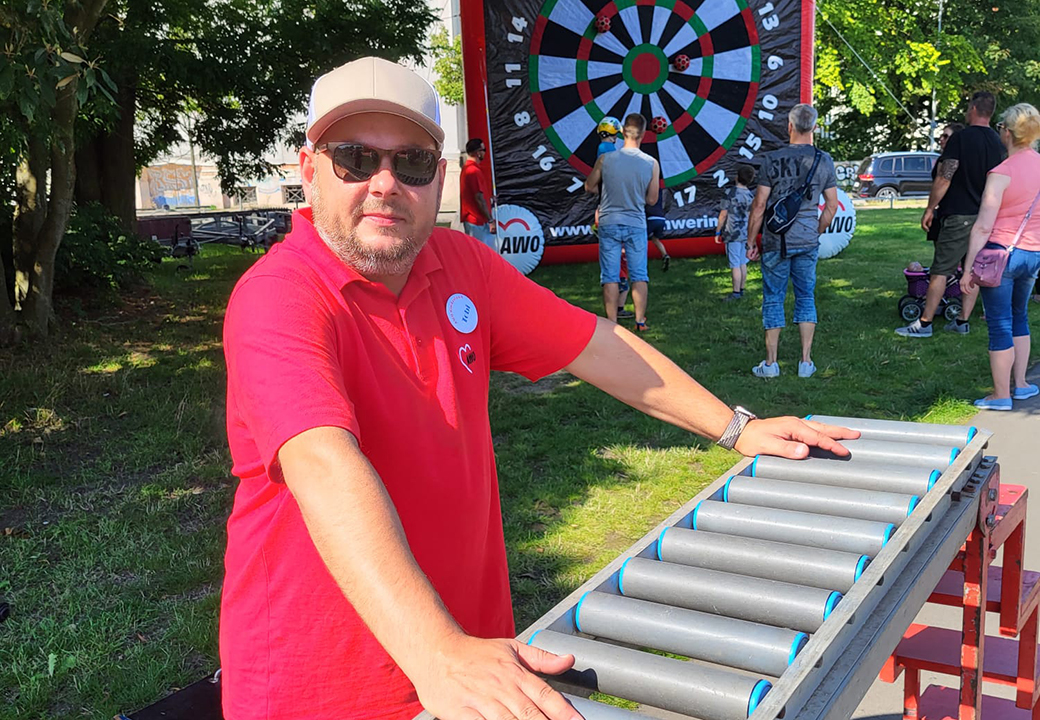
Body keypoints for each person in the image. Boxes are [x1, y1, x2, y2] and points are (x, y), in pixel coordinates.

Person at [219, 57, 858, 720]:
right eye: (354, 160)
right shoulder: (280, 295)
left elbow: (596, 345)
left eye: (411, 163)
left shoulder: (459, 264)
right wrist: (437, 652)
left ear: (439, 176)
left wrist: (738, 428)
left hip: (477, 666)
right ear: (309, 170)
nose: (384, 184)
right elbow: (323, 464)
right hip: (325, 688)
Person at [897, 92, 1005, 337]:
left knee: (941, 270)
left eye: (968, 107)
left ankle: (924, 324)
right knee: (973, 269)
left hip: (959, 215)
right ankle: (962, 321)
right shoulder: (999, 142)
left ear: (974, 108)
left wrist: (929, 208)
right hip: (986, 216)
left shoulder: (961, 139)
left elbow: (945, 176)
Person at [745, 104, 839, 378]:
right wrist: (816, 231)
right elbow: (832, 206)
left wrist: (751, 241)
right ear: (814, 128)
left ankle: (771, 364)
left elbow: (759, 205)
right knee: (806, 295)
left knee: (773, 298)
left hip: (776, 240)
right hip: (807, 241)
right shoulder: (824, 160)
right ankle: (806, 362)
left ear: (789, 126)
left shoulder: (772, 159)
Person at [960, 103, 1040, 410]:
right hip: (1033, 254)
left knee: (999, 323)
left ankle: (1000, 394)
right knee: (1020, 315)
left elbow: (983, 226)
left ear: (1007, 133)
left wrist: (968, 268)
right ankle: (1021, 384)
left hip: (1000, 254)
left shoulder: (1001, 173)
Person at [586, 113, 661, 330]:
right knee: (639, 274)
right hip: (635, 222)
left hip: (608, 221)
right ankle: (640, 321)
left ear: (622, 132)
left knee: (610, 276)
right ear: (643, 134)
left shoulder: (605, 159)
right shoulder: (651, 163)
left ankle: (612, 324)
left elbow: (589, 186)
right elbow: (652, 199)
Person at [715, 165, 756, 301]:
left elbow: (723, 214)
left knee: (735, 264)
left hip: (732, 233)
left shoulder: (730, 192)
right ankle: (741, 289)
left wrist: (718, 231)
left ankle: (736, 293)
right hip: (745, 232)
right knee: (742, 262)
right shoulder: (750, 195)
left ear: (737, 177)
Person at [460, 137, 497, 250]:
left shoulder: (469, 169)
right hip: (476, 222)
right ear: (478, 153)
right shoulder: (473, 171)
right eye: (484, 150)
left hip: (476, 221)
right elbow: (479, 199)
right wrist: (490, 220)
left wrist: (490, 199)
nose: (485, 153)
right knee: (480, 254)